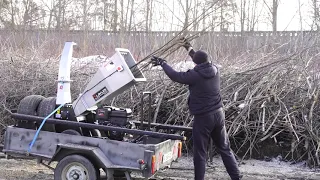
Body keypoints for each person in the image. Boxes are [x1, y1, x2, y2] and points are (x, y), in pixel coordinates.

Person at [150, 38, 241, 180]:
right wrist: (189, 48)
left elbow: (175, 76)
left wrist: (163, 63)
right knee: (225, 148)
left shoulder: (195, 75)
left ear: (197, 63)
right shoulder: (215, 69)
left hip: (204, 118)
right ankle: (237, 177)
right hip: (219, 114)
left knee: (200, 153)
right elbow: (199, 60)